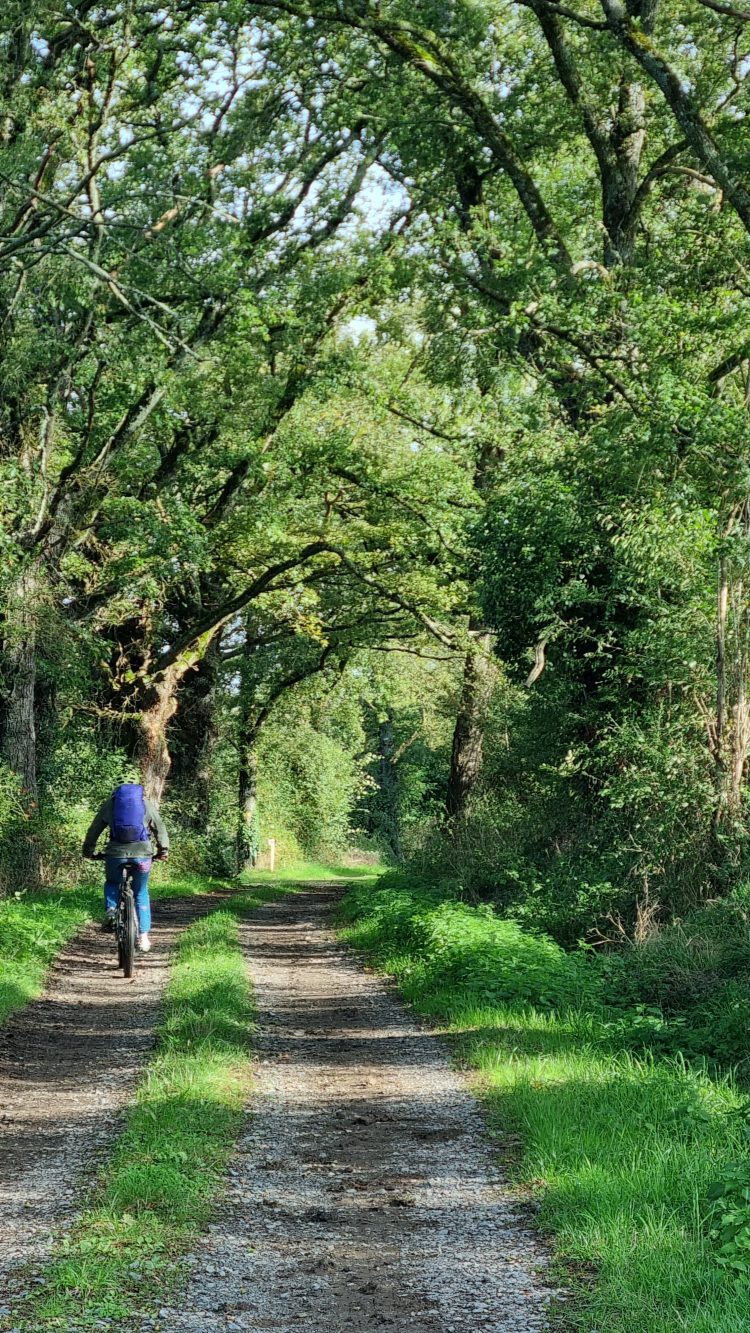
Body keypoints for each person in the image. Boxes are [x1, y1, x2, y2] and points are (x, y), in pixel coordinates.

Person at [83, 782, 169, 953]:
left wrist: (88, 851)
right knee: (140, 892)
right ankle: (143, 937)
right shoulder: (146, 804)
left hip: (115, 855)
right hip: (142, 856)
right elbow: (160, 828)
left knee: (112, 883)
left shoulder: (111, 804)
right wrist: (163, 850)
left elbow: (94, 830)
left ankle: (111, 910)